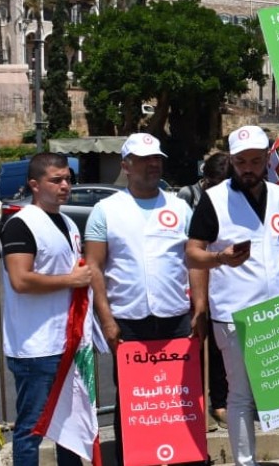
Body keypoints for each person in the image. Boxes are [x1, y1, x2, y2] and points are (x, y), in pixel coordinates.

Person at [186, 126, 279, 466]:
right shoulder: (214, 200)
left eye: (256, 161)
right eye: (241, 161)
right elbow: (191, 253)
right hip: (234, 315)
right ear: (231, 161)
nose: (248, 168)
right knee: (241, 396)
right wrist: (219, 258)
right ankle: (246, 462)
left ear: (267, 161)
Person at [84, 133, 204, 463]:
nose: (153, 165)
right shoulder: (105, 210)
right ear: (126, 165)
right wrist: (106, 319)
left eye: (157, 158)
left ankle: (183, 457)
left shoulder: (180, 207)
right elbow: (94, 266)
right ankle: (134, 458)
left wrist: (200, 306)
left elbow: (194, 259)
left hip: (176, 318)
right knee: (134, 400)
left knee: (179, 397)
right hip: (127, 321)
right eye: (143, 159)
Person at [0, 152, 94, 466]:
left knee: (70, 426)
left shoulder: (67, 222)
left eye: (68, 179)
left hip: (69, 340)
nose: (65, 185)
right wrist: (72, 279)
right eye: (56, 180)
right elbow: (20, 280)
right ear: (35, 185)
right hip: (36, 346)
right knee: (32, 429)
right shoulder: (21, 224)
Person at [177, 151, 232, 429]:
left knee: (221, 350)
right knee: (197, 342)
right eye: (216, 183)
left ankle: (220, 402)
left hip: (223, 278)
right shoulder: (188, 197)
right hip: (196, 275)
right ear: (206, 179)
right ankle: (197, 402)